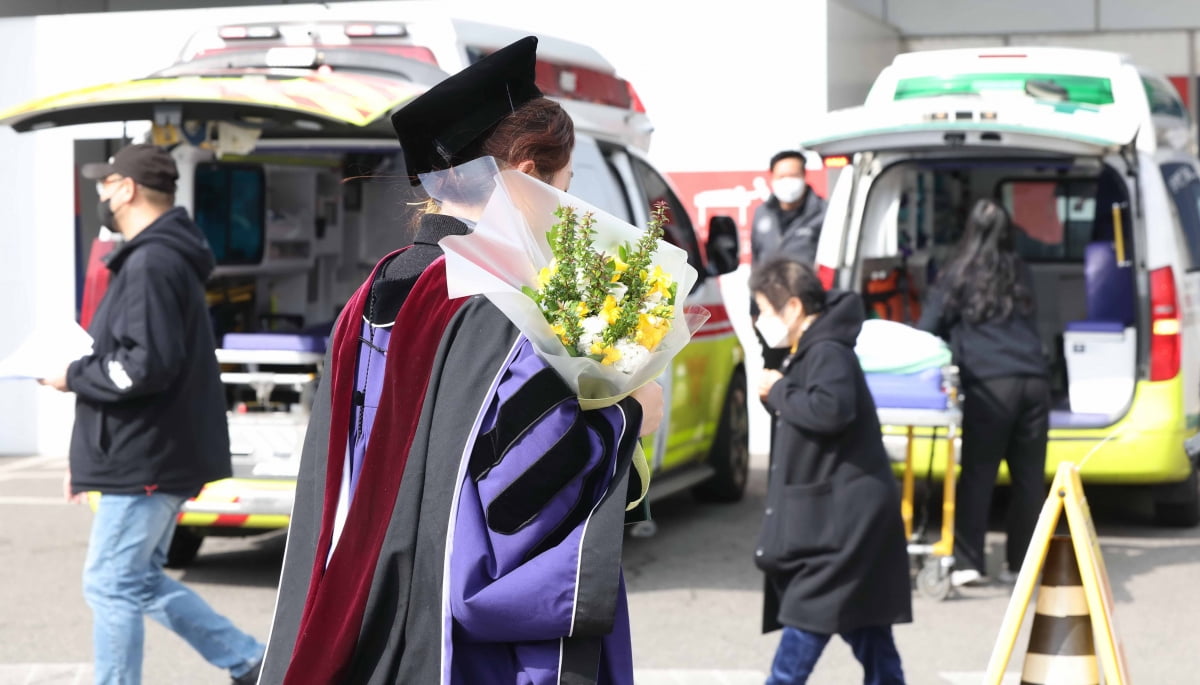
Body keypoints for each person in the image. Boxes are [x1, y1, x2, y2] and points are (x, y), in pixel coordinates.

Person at [258, 36, 663, 685]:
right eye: (565, 184)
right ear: (528, 174)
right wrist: (629, 415)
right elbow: (522, 499)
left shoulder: (367, 298)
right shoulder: (506, 309)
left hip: (358, 613)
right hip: (454, 644)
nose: (567, 205)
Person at [40, 143, 265, 685]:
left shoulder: (152, 261)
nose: (99, 191)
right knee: (134, 581)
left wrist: (70, 376)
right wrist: (85, 457)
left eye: (104, 181)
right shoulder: (157, 257)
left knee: (110, 583)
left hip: (146, 459)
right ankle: (253, 662)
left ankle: (251, 661)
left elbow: (142, 368)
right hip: (144, 455)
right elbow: (139, 360)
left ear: (126, 189)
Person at [750, 258, 910, 685]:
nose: (761, 320)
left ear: (794, 308)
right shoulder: (812, 347)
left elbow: (830, 409)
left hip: (839, 530)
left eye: (766, 309)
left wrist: (779, 389)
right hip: (840, 520)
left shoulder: (827, 350)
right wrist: (779, 389)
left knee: (800, 642)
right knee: (869, 633)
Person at [917, 198, 1050, 587]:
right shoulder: (1021, 271)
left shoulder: (956, 275)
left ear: (970, 231)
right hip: (1034, 381)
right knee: (1028, 478)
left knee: (978, 474)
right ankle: (1021, 566)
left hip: (991, 386)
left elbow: (928, 328)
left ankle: (969, 562)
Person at [750, 150, 828, 371]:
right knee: (772, 378)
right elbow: (756, 263)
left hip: (807, 315)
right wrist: (754, 310)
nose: (788, 183)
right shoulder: (762, 213)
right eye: (781, 177)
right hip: (772, 315)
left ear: (804, 176)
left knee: (806, 373)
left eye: (793, 176)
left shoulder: (823, 213)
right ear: (772, 178)